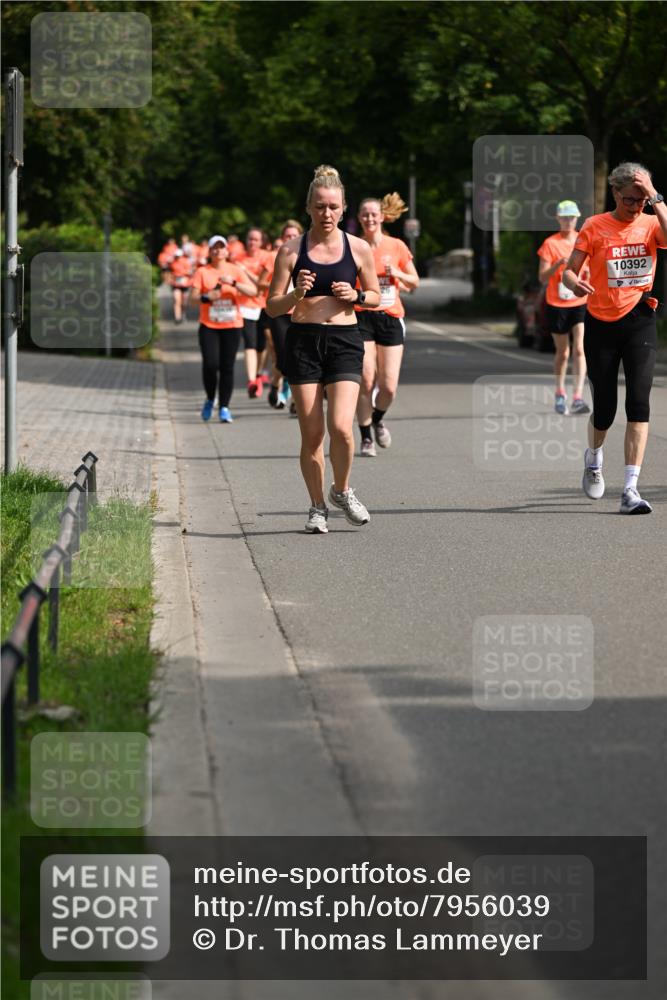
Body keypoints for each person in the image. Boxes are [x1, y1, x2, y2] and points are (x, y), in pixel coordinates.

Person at [267, 165, 380, 533]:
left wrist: (358, 295)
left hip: (345, 340)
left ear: (343, 208)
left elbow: (377, 296)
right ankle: (317, 507)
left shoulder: (359, 248)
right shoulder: (290, 250)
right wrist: (295, 294)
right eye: (319, 207)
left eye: (332, 206)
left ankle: (342, 490)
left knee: (342, 428)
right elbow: (271, 306)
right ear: (308, 208)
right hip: (303, 342)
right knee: (312, 435)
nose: (326, 214)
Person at [562, 162, 667, 514]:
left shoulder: (652, 222)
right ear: (614, 194)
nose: (635, 207)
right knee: (605, 409)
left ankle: (630, 490)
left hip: (640, 318)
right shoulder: (595, 226)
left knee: (639, 402)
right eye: (629, 200)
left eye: (641, 201)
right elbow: (568, 273)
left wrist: (655, 195)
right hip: (601, 323)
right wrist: (574, 282)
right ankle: (593, 459)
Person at [355, 193, 419, 456]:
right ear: (359, 218)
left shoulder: (397, 246)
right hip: (361, 316)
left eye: (374, 214)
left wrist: (398, 273)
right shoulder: (353, 246)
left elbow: (414, 282)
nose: (370, 218)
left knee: (389, 385)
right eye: (365, 214)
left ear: (382, 217)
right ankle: (366, 437)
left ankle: (378, 418)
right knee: (366, 379)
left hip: (391, 317)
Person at [189, 235, 257, 423]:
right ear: (210, 252)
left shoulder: (235, 270)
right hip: (209, 325)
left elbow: (254, 292)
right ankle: (211, 399)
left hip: (232, 325)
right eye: (214, 248)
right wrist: (206, 296)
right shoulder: (202, 272)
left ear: (227, 251)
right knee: (211, 365)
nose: (218, 251)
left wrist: (234, 283)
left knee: (227, 367)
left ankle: (225, 407)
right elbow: (191, 299)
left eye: (222, 247)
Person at [537, 200, 590, 416]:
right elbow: (541, 277)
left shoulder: (583, 240)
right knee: (563, 352)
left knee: (579, 348)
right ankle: (560, 392)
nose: (568, 221)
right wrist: (559, 264)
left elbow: (592, 269)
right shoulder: (550, 243)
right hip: (557, 303)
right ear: (558, 219)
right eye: (564, 217)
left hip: (579, 301)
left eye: (572, 217)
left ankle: (577, 396)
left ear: (577, 219)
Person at [263, 219, 304, 409]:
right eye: (287, 236)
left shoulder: (309, 255)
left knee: (300, 356)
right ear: (282, 238)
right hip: (280, 312)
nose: (291, 238)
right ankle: (274, 384)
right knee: (283, 356)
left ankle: (296, 401)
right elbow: (262, 282)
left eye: (295, 235)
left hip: (302, 312)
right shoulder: (276, 256)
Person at [237, 227, 271, 398]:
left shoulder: (267, 257)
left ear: (262, 241)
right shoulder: (238, 259)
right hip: (246, 306)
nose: (252, 242)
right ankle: (251, 380)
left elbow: (261, 283)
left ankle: (258, 374)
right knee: (249, 343)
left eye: (256, 239)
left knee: (261, 345)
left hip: (265, 305)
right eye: (250, 239)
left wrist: (245, 271)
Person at [169, 249, 193, 324]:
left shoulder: (186, 262)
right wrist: (172, 279)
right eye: (176, 256)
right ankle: (177, 318)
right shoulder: (172, 263)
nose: (177, 257)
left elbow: (190, 272)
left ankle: (183, 314)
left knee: (184, 302)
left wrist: (183, 274)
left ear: (181, 256)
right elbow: (169, 273)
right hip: (176, 284)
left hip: (185, 284)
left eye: (178, 256)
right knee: (177, 300)